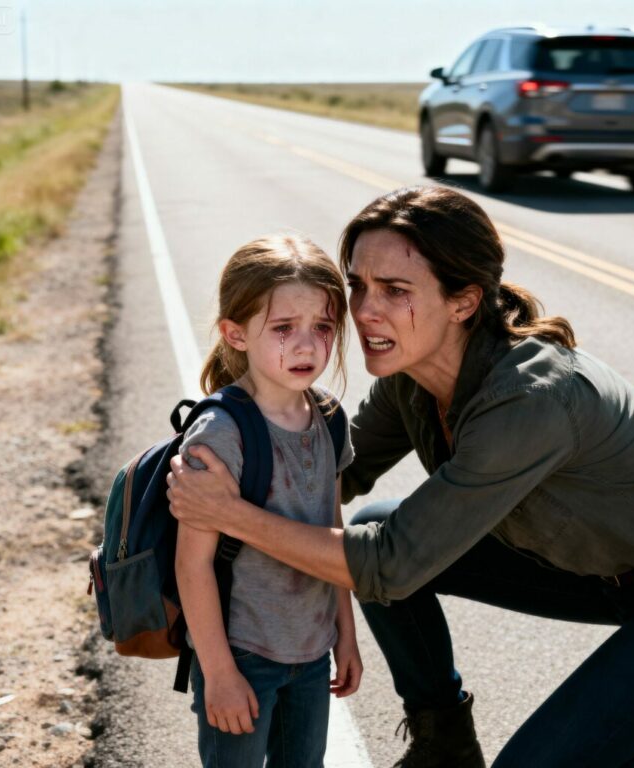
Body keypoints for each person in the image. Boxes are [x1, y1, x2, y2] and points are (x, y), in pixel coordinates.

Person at [167, 187, 634, 768]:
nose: (364, 312)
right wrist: (170, 519)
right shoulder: (413, 376)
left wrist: (230, 516)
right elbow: (326, 481)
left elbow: (389, 565)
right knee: (373, 522)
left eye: (395, 291)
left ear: (463, 302)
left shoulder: (531, 399)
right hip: (607, 574)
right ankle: (445, 743)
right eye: (358, 285)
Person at [174, 234, 362, 768]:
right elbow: (193, 565)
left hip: (311, 652)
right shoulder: (220, 434)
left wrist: (345, 636)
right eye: (283, 329)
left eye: (322, 328)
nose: (307, 346)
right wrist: (219, 673)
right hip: (241, 654)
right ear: (235, 334)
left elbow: (332, 535)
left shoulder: (328, 418)